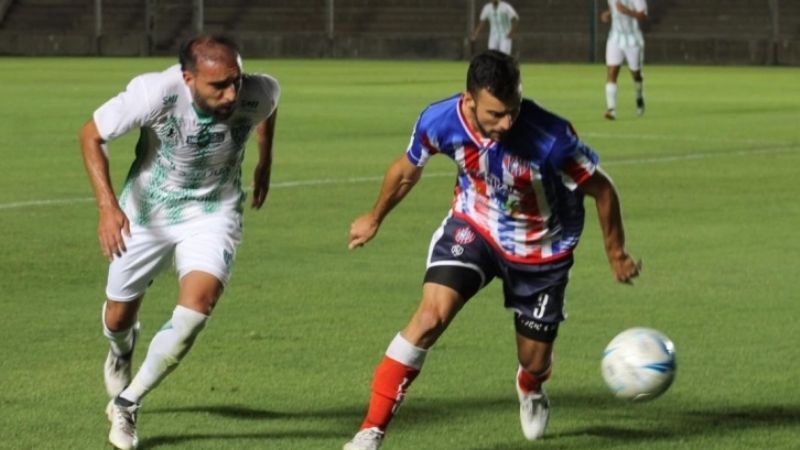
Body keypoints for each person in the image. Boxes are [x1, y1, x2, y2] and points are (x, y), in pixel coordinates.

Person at [344, 50, 641, 450]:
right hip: (476, 226)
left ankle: (530, 384)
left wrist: (616, 253)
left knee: (534, 360)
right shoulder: (440, 120)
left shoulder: (550, 138)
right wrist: (375, 216)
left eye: (513, 111)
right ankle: (370, 431)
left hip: (542, 250)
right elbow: (405, 172)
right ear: (469, 101)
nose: (507, 123)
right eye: (495, 114)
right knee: (430, 317)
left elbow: (602, 189)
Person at [79, 34, 280, 450]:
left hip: (214, 210)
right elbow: (90, 135)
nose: (232, 94)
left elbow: (267, 109)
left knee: (197, 309)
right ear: (188, 78)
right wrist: (106, 207)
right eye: (218, 86)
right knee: (118, 316)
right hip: (147, 212)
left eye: (236, 82)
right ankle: (121, 348)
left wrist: (265, 160)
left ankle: (127, 402)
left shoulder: (259, 90)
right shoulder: (153, 92)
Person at [600, 0, 648, 120]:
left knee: (635, 74)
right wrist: (608, 13)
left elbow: (643, 15)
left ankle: (639, 96)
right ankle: (611, 110)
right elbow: (615, 8)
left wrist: (627, 11)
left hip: (632, 39)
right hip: (615, 38)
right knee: (612, 72)